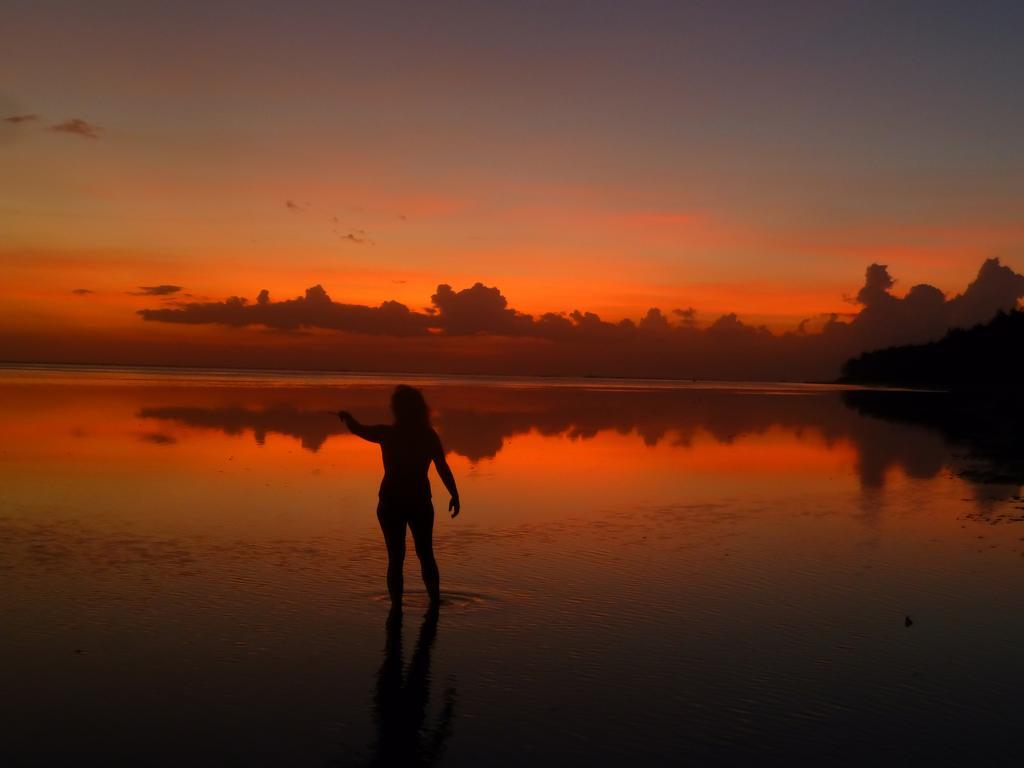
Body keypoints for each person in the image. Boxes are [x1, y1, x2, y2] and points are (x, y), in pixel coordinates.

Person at [337, 385, 459, 606]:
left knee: (396, 559)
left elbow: (358, 429)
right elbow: (442, 466)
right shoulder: (427, 436)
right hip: (417, 502)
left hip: (394, 503)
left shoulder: (389, 434)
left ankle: (397, 608)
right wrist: (454, 494)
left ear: (400, 409)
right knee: (425, 555)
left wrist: (347, 418)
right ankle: (433, 605)